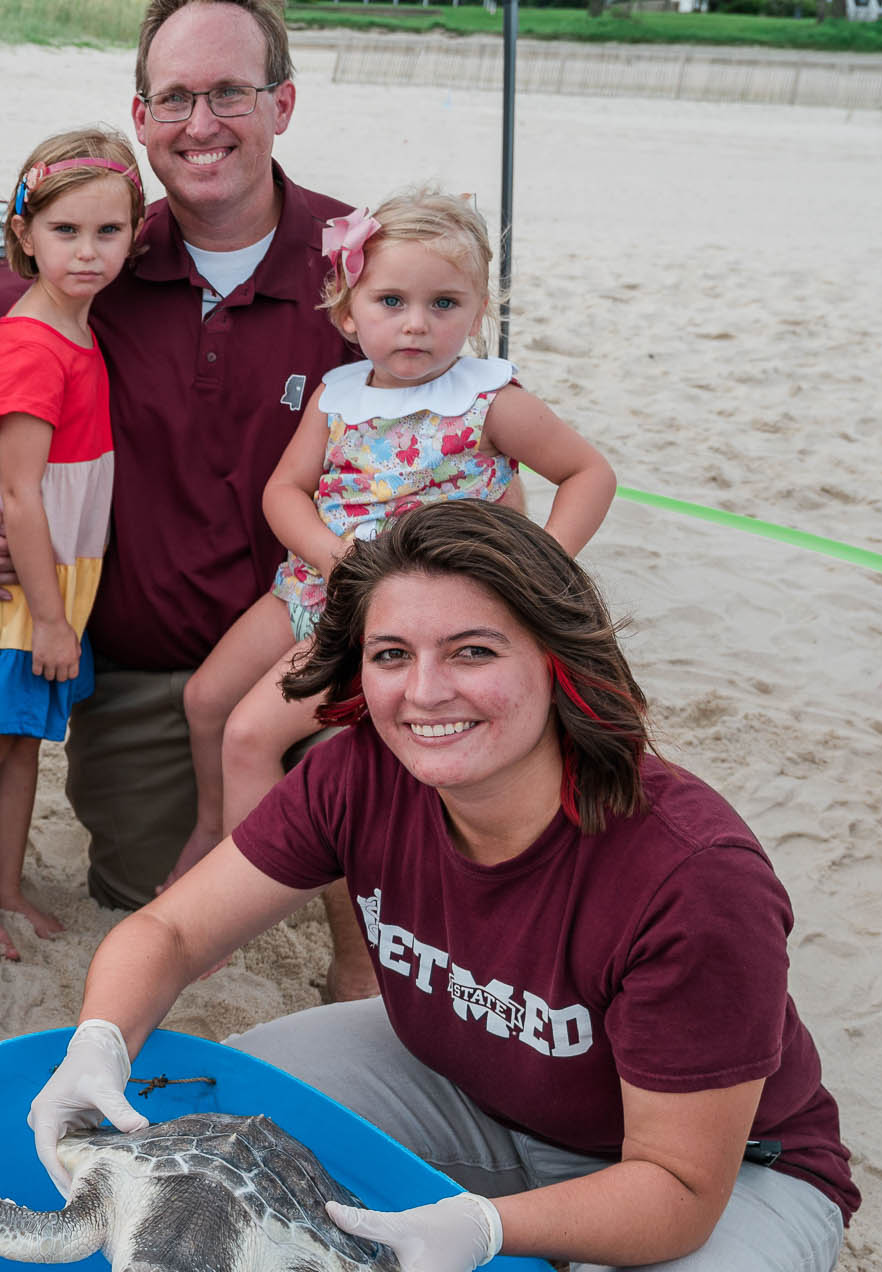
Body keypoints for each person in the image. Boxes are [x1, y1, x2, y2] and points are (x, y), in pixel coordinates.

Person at [28, 500, 856, 1272]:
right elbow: (173, 929)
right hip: (470, 1072)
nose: (424, 693)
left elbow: (679, 1188)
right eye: (392, 655)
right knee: (222, 1120)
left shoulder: (694, 877)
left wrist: (483, 1229)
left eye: (473, 651)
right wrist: (97, 1040)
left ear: (557, 660)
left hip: (719, 1170)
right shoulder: (363, 772)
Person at [0, 0, 388, 993]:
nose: (202, 121)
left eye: (230, 91)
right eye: (174, 96)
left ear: (284, 103)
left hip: (318, 646)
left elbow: (456, 429)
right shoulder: (96, 251)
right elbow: (8, 421)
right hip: (138, 668)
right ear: (140, 118)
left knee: (379, 859)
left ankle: (355, 945)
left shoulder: (359, 262)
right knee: (142, 886)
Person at [166, 187, 616, 890]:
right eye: (391, 302)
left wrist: (538, 566)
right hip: (314, 583)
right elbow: (283, 492)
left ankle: (232, 894)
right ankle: (208, 822)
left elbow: (589, 472)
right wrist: (329, 554)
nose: (416, 325)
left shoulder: (488, 401)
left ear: (476, 313)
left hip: (389, 618)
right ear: (348, 310)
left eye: (444, 304)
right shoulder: (338, 395)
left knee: (252, 734)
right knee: (204, 700)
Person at [0, 129, 141, 963]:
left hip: (57, 578)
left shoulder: (77, 324)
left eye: (107, 232)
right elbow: (18, 493)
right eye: (65, 231)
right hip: (20, 585)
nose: (87, 252)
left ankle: (5, 885)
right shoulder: (32, 340)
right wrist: (50, 619)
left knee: (21, 741)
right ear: (23, 233)